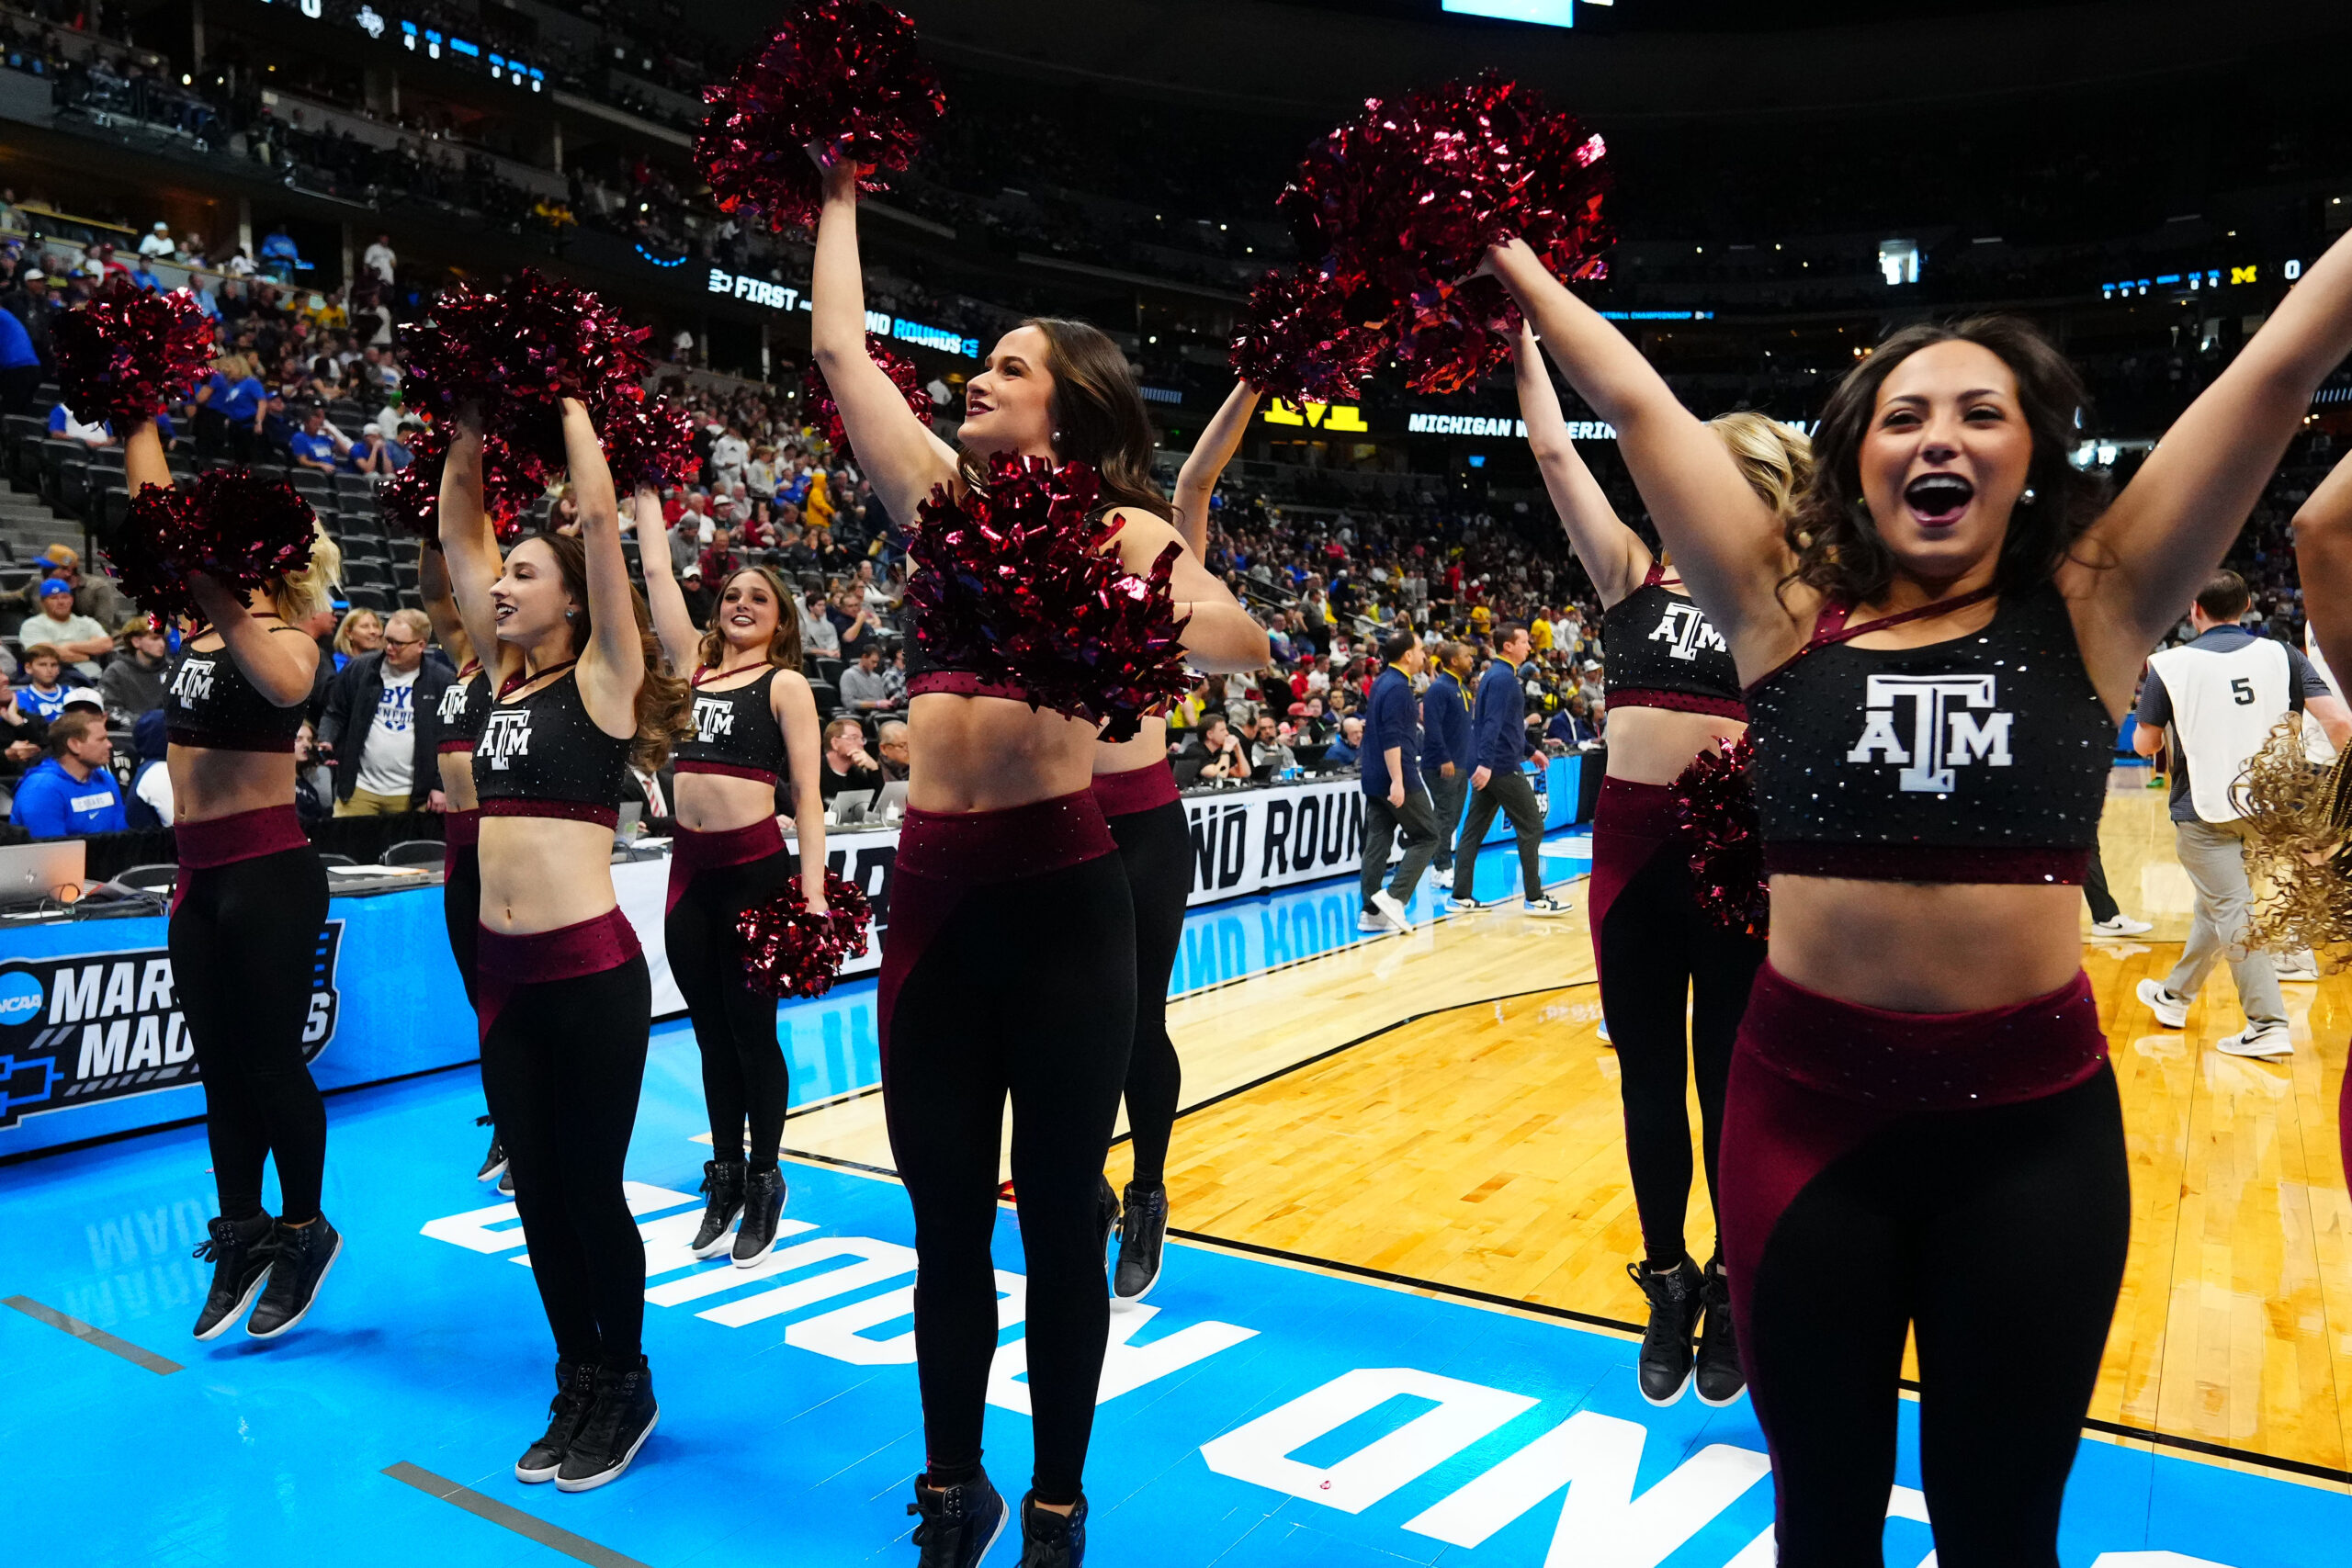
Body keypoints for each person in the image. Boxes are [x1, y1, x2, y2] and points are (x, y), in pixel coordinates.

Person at [1493, 216, 2352, 1558]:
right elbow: (1634, 403)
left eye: (1978, 412)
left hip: (2032, 1146)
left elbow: (2278, 368)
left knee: (2001, 1529)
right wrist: (1510, 259)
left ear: (2030, 455)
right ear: (1855, 456)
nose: (1937, 436)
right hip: (1801, 1124)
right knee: (1820, 1522)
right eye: (1903, 414)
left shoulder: (2103, 600)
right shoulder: (1777, 606)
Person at [813, 147, 1263, 1565]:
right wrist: (835, 180)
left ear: (1067, 398)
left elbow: (1244, 640)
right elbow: (838, 346)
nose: (978, 383)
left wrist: (1129, 594)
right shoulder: (940, 503)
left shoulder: (1124, 528)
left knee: (1059, 1215)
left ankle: (1059, 1498)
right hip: (935, 893)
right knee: (945, 1218)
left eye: (1006, 367)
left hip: (1069, 898)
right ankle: (956, 1484)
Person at [1519, 330, 1809, 1406]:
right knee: (1646, 1076)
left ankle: (1735, 1281)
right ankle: (1669, 1275)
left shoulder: (1791, 596)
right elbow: (1555, 454)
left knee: (1729, 1081)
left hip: (1739, 854)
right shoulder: (1631, 570)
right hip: (1631, 856)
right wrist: (1519, 340)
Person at [441, 400, 689, 1493]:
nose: (501, 587)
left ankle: (625, 1379)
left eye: (523, 575)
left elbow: (597, 523)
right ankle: (577, 1373)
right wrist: (468, 420)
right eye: (505, 579)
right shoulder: (498, 678)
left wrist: (574, 399)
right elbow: (458, 534)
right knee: (536, 1193)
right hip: (502, 984)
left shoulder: (601, 678)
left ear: (572, 595)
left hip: (588, 978)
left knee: (590, 1188)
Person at [129, 413, 345, 1344]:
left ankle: (305, 1228)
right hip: (197, 878)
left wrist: (216, 584)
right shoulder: (204, 622)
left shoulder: (287, 630)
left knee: (267, 1061)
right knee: (219, 1070)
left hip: (269, 874)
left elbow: (294, 689)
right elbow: (153, 507)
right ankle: (244, 1226)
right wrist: (136, 414)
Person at [1097, 378, 1264, 1311]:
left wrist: (1247, 381)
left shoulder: (1158, 545)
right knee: (1059, 1027)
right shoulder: (1029, 547)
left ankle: (1149, 1187)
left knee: (1135, 1021)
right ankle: (1083, 1184)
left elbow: (1197, 476)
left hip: (1142, 819)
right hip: (1054, 815)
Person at [639, 491, 828, 1268]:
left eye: (759, 597)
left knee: (753, 1033)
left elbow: (809, 798)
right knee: (710, 1035)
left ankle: (765, 1173)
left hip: (755, 873)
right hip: (689, 875)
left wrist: (812, 895)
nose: (742, 603)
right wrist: (648, 488)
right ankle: (722, 1173)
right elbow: (655, 570)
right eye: (731, 596)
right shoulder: (693, 670)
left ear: (781, 621)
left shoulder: (784, 685)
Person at [2132, 570, 2348, 1055]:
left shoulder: (2168, 664)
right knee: (2218, 904)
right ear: (2249, 605)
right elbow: (2337, 720)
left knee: (2231, 907)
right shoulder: (2282, 653)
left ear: (2194, 611)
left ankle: (2268, 1024)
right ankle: (2173, 996)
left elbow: (2144, 743)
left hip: (2205, 809)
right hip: (2272, 807)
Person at [416, 538, 505, 1185]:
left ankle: (524, 1119)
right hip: (456, 845)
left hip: (499, 840)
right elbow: (431, 594)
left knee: (507, 991)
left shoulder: (509, 659)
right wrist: (429, 535)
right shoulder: (466, 658)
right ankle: (506, 1116)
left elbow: (474, 583)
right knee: (482, 996)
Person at [1448, 622, 1566, 916]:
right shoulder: (1502, 678)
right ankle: (1535, 897)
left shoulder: (1498, 675)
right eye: (1524, 641)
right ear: (1508, 646)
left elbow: (1507, 727)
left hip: (1493, 763)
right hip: (1499, 766)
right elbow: (1490, 725)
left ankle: (1460, 895)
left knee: (1472, 832)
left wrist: (1531, 750)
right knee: (1532, 826)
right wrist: (1487, 764)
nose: (1530, 645)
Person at [320, 608, 453, 816]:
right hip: (359, 790)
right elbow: (335, 712)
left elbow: (451, 741)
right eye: (387, 640)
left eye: (397, 643)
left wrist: (441, 785)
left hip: (414, 795)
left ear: (421, 645)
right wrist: (327, 738)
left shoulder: (442, 681)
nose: (389, 648)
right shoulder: (360, 669)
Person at [1358, 625, 1439, 934]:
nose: (1423, 654)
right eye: (1420, 649)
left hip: (1373, 774)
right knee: (1428, 835)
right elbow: (1392, 738)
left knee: (1378, 840)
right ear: (1408, 655)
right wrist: (1398, 781)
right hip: (1397, 773)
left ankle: (1370, 913)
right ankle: (1394, 898)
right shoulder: (1398, 688)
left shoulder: (1382, 682)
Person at [8, 707, 125, 837]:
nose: (109, 745)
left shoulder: (105, 778)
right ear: (74, 745)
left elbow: (122, 837)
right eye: (101, 739)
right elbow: (51, 851)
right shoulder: (41, 789)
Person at [1421, 641, 1475, 882]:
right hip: (1441, 764)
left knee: (1453, 816)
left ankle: (1439, 862)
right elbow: (1432, 727)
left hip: (1461, 764)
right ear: (1453, 661)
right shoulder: (1439, 689)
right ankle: (1440, 867)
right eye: (1466, 656)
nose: (1471, 659)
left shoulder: (1462, 689)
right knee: (1444, 815)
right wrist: (1444, 757)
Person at [27, 577, 110, 679]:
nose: (61, 602)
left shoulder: (87, 622)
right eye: (54, 598)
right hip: (54, 678)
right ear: (43, 603)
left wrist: (70, 646)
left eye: (65, 597)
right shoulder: (32, 625)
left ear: (71, 600)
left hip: (91, 677)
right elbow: (47, 657)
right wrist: (86, 656)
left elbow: (107, 644)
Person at [98, 614, 172, 724]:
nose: (162, 644)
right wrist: (146, 723)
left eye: (163, 639)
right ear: (136, 642)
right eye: (155, 638)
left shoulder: (173, 670)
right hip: (128, 735)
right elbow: (110, 710)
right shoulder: (116, 671)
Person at [818, 716, 884, 802]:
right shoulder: (816, 772)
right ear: (834, 743)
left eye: (862, 739)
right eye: (854, 738)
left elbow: (878, 805)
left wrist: (874, 769)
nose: (861, 743)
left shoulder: (857, 775)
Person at [1184, 714, 1250, 781]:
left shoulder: (1218, 752)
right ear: (1210, 734)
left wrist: (1238, 750)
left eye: (1226, 729)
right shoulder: (1195, 750)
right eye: (1222, 730)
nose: (1227, 733)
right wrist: (1225, 751)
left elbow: (1245, 775)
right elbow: (1219, 776)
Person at [16, 643, 71, 720]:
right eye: (42, 665)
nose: (49, 670)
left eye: (54, 665)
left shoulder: (71, 692)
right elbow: (31, 727)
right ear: (28, 668)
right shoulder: (23, 696)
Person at [838, 645, 897, 712]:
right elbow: (848, 703)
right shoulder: (848, 675)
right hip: (859, 714)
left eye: (877, 662)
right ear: (864, 657)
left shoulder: (876, 678)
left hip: (878, 713)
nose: (875, 665)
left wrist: (890, 702)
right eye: (873, 662)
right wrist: (876, 704)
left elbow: (882, 701)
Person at [876, 717, 911, 783]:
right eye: (902, 745)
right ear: (883, 749)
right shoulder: (876, 773)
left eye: (911, 744)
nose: (910, 750)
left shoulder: (920, 767)